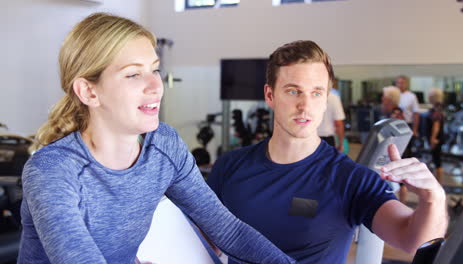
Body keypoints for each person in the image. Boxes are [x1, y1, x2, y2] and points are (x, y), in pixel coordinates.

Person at [17, 13, 296, 264]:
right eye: (133, 74)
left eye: (155, 70)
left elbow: (229, 230)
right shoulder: (53, 171)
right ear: (89, 92)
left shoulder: (163, 145)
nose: (155, 86)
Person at [207, 40, 448, 263]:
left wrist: (432, 199)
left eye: (316, 93)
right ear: (270, 95)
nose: (305, 105)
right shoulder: (229, 167)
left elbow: (413, 241)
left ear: (325, 99)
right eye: (293, 91)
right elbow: (203, 243)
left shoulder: (352, 180)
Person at [317, 78, 345, 152]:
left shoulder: (309, 96)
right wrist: (341, 143)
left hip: (309, 138)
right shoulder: (333, 98)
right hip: (327, 139)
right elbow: (338, 123)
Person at [396, 75, 420, 157]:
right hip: (395, 124)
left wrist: (415, 129)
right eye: (398, 83)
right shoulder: (394, 95)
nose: (400, 85)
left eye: (402, 83)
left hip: (406, 124)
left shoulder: (411, 96)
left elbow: (416, 113)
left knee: (407, 149)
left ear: (406, 84)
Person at [427, 88, 445, 183]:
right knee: (436, 159)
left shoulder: (437, 109)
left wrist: (433, 139)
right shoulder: (437, 107)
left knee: (437, 160)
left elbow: (436, 125)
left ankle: (439, 183)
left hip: (437, 138)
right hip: (437, 138)